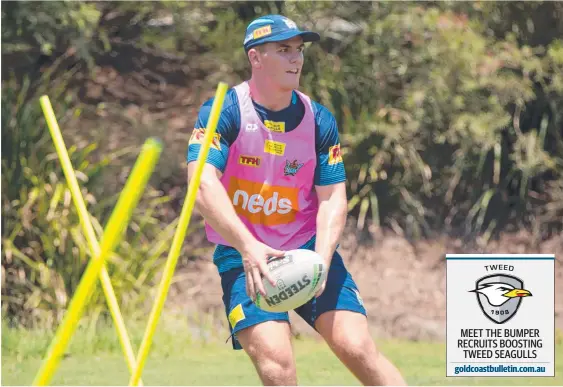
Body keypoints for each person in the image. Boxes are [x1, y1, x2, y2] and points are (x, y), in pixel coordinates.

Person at [186, 14, 407, 386]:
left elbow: (333, 197)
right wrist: (248, 246)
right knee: (276, 363)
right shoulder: (224, 110)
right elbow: (202, 183)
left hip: (306, 247)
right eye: (284, 50)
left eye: (299, 50)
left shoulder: (318, 120)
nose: (296, 59)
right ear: (256, 58)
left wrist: (321, 257)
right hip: (243, 256)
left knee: (356, 346)